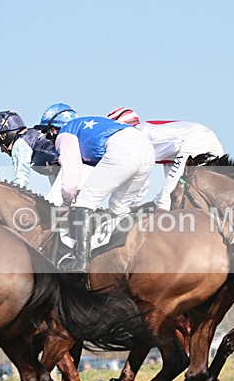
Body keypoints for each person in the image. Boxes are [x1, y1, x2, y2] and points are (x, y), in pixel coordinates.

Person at [42, 103, 155, 272]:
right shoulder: (90, 127)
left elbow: (71, 177)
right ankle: (120, 256)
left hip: (124, 149)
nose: (49, 139)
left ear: (53, 129)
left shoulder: (65, 133)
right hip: (147, 151)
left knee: (84, 202)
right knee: (119, 209)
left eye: (46, 133)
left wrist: (67, 202)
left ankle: (80, 262)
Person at [107, 106, 224, 210]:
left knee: (167, 199)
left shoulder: (133, 137)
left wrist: (130, 208)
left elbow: (140, 179)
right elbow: (167, 177)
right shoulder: (153, 136)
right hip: (206, 140)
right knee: (171, 196)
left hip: (195, 140)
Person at [0, 110, 59, 188]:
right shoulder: (34, 134)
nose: (2, 150)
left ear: (4, 135)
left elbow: (20, 180)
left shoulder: (20, 144)